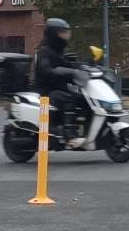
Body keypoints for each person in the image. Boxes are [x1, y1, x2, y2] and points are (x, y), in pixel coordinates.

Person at [34, 17, 89, 147]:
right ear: (54, 34)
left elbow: (67, 64)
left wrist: (84, 68)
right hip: (46, 91)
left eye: (66, 33)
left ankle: (82, 130)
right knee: (68, 99)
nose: (66, 36)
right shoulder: (44, 51)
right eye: (62, 33)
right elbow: (46, 71)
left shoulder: (57, 51)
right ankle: (70, 136)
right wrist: (67, 72)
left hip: (58, 88)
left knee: (83, 98)